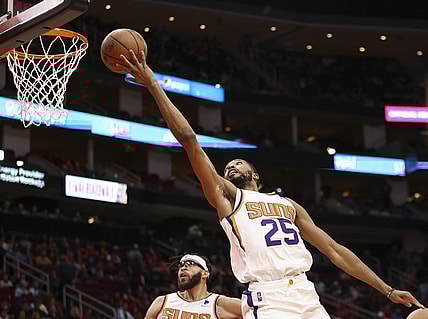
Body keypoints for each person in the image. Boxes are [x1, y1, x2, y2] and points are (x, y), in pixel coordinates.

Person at [118, 50, 426, 318]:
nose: (230, 166)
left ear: (255, 174)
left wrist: (386, 290)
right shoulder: (228, 198)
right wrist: (154, 84)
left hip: (306, 291)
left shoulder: (289, 205)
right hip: (268, 297)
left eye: (237, 163)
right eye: (227, 167)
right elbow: (189, 140)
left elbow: (335, 250)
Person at [144, 254, 242, 319]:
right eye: (181, 265)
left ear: (205, 273)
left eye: (191, 264)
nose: (183, 268)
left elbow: (255, 309)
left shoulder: (219, 304)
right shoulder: (162, 302)